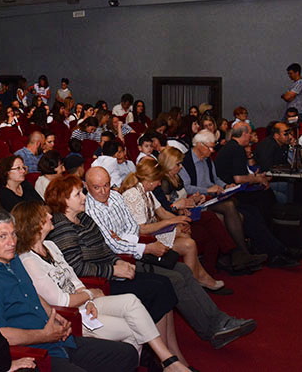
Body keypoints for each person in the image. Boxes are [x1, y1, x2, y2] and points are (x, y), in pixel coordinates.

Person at [83, 167, 257, 348]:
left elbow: (133, 229)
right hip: (123, 261)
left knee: (183, 270)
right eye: (97, 187)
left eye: (106, 185)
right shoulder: (91, 210)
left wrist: (129, 241)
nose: (103, 191)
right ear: (87, 187)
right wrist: (144, 247)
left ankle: (219, 320)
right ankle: (211, 330)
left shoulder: (116, 197)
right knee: (174, 278)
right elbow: (112, 245)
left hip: (135, 250)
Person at [12, 201, 192, 370]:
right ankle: (166, 363)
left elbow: (73, 277)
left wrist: (86, 295)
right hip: (71, 315)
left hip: (85, 302)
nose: (51, 216)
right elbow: (62, 301)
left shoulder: (50, 245)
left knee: (131, 301)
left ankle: (168, 361)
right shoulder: (28, 260)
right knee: (133, 330)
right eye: (45, 216)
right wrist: (90, 295)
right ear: (35, 224)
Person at [0, 208, 138, 371]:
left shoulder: (12, 258)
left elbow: (31, 292)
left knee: (127, 353)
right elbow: (0, 335)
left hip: (58, 340)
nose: (12, 242)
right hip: (36, 353)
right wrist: (44, 335)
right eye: (3, 236)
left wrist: (54, 315)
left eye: (13, 234)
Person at [183, 130, 301, 266]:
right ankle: (244, 253)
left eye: (212, 147)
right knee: (231, 206)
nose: (212, 151)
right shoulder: (185, 161)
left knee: (249, 211)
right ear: (198, 145)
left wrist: (225, 185)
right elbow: (186, 188)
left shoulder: (207, 160)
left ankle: (273, 249)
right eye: (209, 147)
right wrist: (208, 190)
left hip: (213, 196)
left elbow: (215, 179)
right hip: (198, 200)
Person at [156, 147, 266, 275]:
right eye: (178, 164)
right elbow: (166, 208)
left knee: (221, 212)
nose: (181, 167)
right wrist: (180, 208)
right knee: (212, 218)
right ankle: (233, 254)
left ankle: (233, 256)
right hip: (176, 217)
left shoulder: (176, 177)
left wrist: (194, 199)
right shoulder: (164, 182)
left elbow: (183, 198)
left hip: (186, 211)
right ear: (169, 164)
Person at [119, 160, 226, 292]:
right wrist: (172, 222)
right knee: (188, 244)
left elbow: (162, 212)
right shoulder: (133, 195)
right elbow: (142, 229)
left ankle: (197, 279)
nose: (159, 184)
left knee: (184, 233)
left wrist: (179, 221)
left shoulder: (146, 191)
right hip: (143, 241)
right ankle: (194, 284)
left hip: (150, 234)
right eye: (158, 180)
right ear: (151, 180)